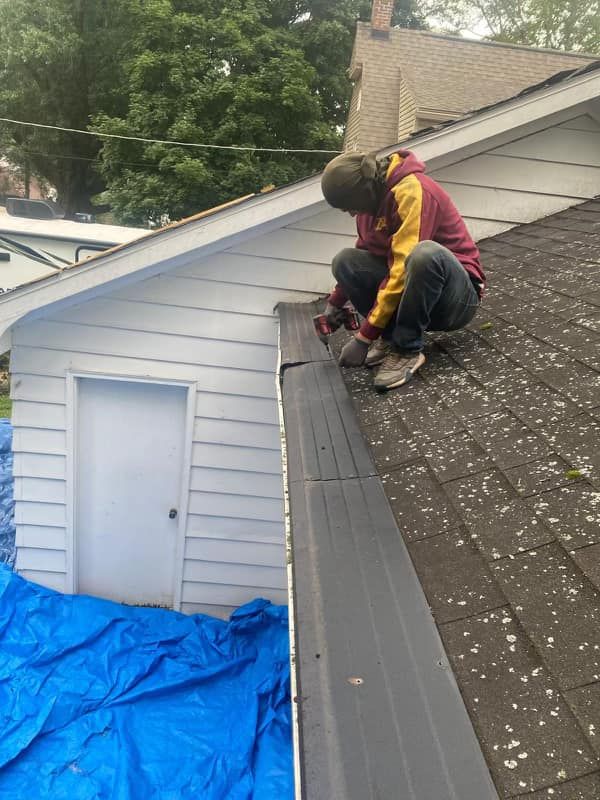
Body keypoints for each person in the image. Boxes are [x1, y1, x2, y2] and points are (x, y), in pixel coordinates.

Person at [320, 149, 485, 391]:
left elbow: (401, 269)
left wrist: (364, 337)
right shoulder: (369, 206)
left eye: (350, 206)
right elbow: (365, 253)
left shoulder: (413, 191)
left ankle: (406, 349)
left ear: (366, 190)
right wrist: (334, 303)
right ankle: (390, 338)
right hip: (417, 298)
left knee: (424, 254)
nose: (352, 213)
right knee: (345, 261)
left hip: (456, 300)